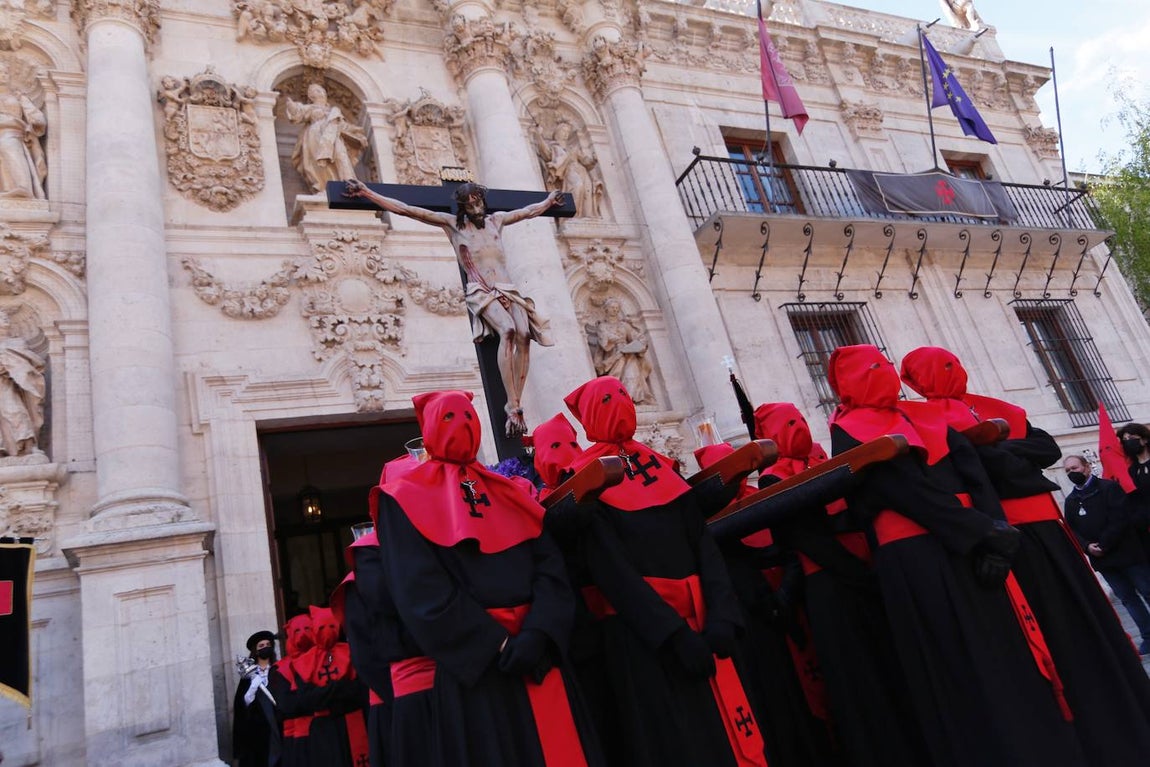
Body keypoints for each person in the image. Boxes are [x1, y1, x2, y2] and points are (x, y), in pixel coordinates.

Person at [827, 345, 1087, 767]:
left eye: (886, 365)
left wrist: (995, 533)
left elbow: (974, 473)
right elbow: (902, 492)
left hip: (970, 549)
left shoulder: (924, 416)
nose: (885, 374)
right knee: (960, 672)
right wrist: (985, 531)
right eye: (873, 368)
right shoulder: (850, 429)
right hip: (923, 559)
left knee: (1008, 658)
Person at [902, 347, 1150, 766]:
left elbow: (1047, 450)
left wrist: (999, 451)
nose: (952, 371)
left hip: (1037, 532)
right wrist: (1009, 454)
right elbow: (1003, 462)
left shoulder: (989, 408)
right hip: (1017, 533)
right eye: (942, 367)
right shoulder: (933, 418)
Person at [371, 390, 604, 767]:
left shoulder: (510, 491)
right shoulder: (400, 499)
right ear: (429, 428)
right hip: (478, 673)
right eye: (449, 417)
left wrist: (539, 633)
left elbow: (549, 566)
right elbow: (420, 590)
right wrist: (497, 645)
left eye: (468, 415)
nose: (462, 424)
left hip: (540, 656)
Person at [564, 375, 766, 767]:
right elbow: (613, 573)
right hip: (645, 638)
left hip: (705, 624)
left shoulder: (662, 466)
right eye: (609, 398)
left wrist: (723, 616)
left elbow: (704, 546)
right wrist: (672, 635)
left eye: (624, 394)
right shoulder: (583, 480)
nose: (621, 402)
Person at [752, 402, 923, 767]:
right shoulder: (772, 479)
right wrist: (862, 576)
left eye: (801, 419)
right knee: (857, 680)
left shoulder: (823, 462)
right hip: (831, 585)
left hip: (865, 573)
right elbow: (804, 538)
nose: (799, 427)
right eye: (789, 424)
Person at [343, 179, 562, 436]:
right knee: (508, 331)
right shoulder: (453, 225)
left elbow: (527, 212)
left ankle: (516, 400)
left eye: (478, 201)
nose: (476, 207)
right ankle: (512, 405)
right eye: (469, 205)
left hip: (507, 288)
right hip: (482, 290)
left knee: (525, 334)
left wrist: (548, 201)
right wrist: (368, 193)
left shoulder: (497, 220)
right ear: (463, 208)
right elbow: (407, 210)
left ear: (483, 200)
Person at [1063, 454, 1150, 655]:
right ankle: (1147, 635)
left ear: (1086, 467)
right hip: (1104, 561)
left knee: (1147, 590)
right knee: (1127, 598)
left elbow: (1120, 517)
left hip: (1127, 553)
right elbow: (1072, 529)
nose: (1071, 473)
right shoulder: (1071, 501)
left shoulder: (1108, 488)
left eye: (1074, 468)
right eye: (1067, 471)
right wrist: (1086, 546)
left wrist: (1104, 543)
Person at [285, 84, 367, 192]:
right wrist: (291, 105)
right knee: (318, 161)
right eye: (316, 91)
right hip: (315, 135)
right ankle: (324, 188)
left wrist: (356, 133)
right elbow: (298, 113)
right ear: (310, 96)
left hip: (334, 136)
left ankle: (348, 184)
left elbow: (344, 126)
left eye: (322, 90)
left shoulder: (334, 110)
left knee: (340, 156)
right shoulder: (310, 108)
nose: (321, 92)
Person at [589, 298, 654, 406]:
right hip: (614, 356)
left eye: (617, 308)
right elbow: (604, 342)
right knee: (615, 379)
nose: (615, 310)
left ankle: (630, 401)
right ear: (606, 309)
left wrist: (638, 344)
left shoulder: (624, 325)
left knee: (631, 376)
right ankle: (619, 402)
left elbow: (638, 337)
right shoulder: (602, 326)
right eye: (612, 307)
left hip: (629, 355)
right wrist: (617, 341)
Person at [232, 630, 282, 767]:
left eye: (268, 644)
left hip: (278, 725)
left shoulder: (279, 670)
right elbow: (241, 705)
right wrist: (252, 689)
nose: (265, 647)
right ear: (256, 650)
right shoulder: (249, 677)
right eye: (261, 646)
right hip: (257, 731)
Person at [0, 309, 45, 457]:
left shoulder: (17, 343)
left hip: (11, 387)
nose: (6, 319)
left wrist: (12, 368)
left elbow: (34, 364)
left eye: (6, 316)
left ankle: (28, 447)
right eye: (2, 317)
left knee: (17, 413)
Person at [0, 77, 46, 200]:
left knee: (9, 148)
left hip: (11, 132)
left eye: (4, 72)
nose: (3, 74)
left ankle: (22, 187)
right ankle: (7, 188)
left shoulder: (17, 96)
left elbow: (34, 115)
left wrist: (36, 122)